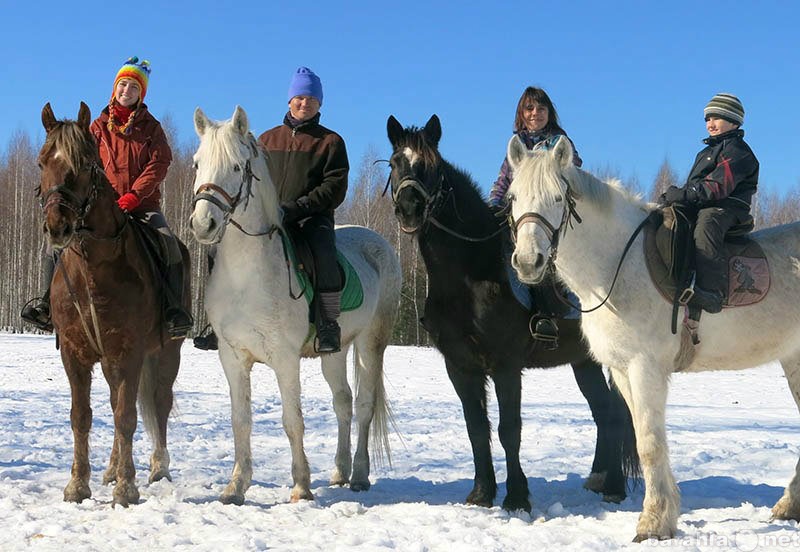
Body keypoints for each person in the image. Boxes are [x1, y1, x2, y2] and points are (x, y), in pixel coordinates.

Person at [22, 56, 193, 338]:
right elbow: (81, 164)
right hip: (99, 205)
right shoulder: (97, 128)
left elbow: (159, 163)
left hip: (142, 206)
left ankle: (173, 311)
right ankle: (44, 304)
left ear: (141, 94)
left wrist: (134, 196)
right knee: (53, 246)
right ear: (115, 87)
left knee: (169, 245)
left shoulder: (152, 128)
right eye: (122, 85)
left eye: (133, 88)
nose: (126, 91)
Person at [194, 67, 348, 353]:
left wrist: (297, 208)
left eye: (311, 99)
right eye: (299, 97)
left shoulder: (331, 142)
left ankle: (328, 324)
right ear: (289, 100)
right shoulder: (267, 139)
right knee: (217, 250)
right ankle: (217, 321)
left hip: (311, 218)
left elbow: (334, 188)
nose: (305, 103)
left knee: (324, 253)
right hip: (268, 217)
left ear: (320, 104)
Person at [488, 86, 582, 347]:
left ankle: (547, 316)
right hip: (522, 212)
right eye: (529, 108)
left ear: (549, 113)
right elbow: (504, 181)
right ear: (521, 113)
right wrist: (494, 206)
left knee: (540, 248)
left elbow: (573, 175)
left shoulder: (559, 143)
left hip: (549, 216)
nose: (535, 113)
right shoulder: (518, 145)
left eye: (541, 108)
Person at [660, 93, 759, 314]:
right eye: (707, 119)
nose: (710, 124)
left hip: (728, 207)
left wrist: (682, 195)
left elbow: (715, 188)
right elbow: (696, 187)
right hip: (704, 203)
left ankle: (712, 292)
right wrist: (673, 200)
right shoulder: (705, 152)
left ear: (733, 121)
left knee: (706, 226)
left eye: (717, 118)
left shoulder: (739, 152)